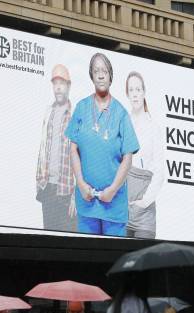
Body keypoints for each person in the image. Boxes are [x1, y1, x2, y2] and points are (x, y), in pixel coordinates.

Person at [66, 52, 140, 237]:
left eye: (104, 71)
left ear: (110, 76)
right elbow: (73, 149)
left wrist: (113, 189)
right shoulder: (81, 108)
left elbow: (128, 158)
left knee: (113, 262)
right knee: (87, 260)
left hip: (113, 206)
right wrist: (81, 184)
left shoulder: (121, 113)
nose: (100, 75)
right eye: (96, 70)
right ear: (91, 74)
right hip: (87, 202)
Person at [36, 63, 76, 232]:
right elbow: (43, 148)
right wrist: (39, 181)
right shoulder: (48, 113)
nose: (58, 88)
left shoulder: (75, 115)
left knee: (69, 243)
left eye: (62, 83)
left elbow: (82, 158)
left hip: (66, 191)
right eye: (55, 83)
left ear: (68, 85)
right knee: (49, 239)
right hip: (48, 188)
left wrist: (76, 196)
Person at [125, 71, 164, 239]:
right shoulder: (123, 123)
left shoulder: (153, 128)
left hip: (144, 215)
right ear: (127, 93)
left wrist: (145, 202)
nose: (135, 94)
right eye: (131, 90)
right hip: (122, 212)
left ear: (144, 92)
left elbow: (160, 171)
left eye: (138, 89)